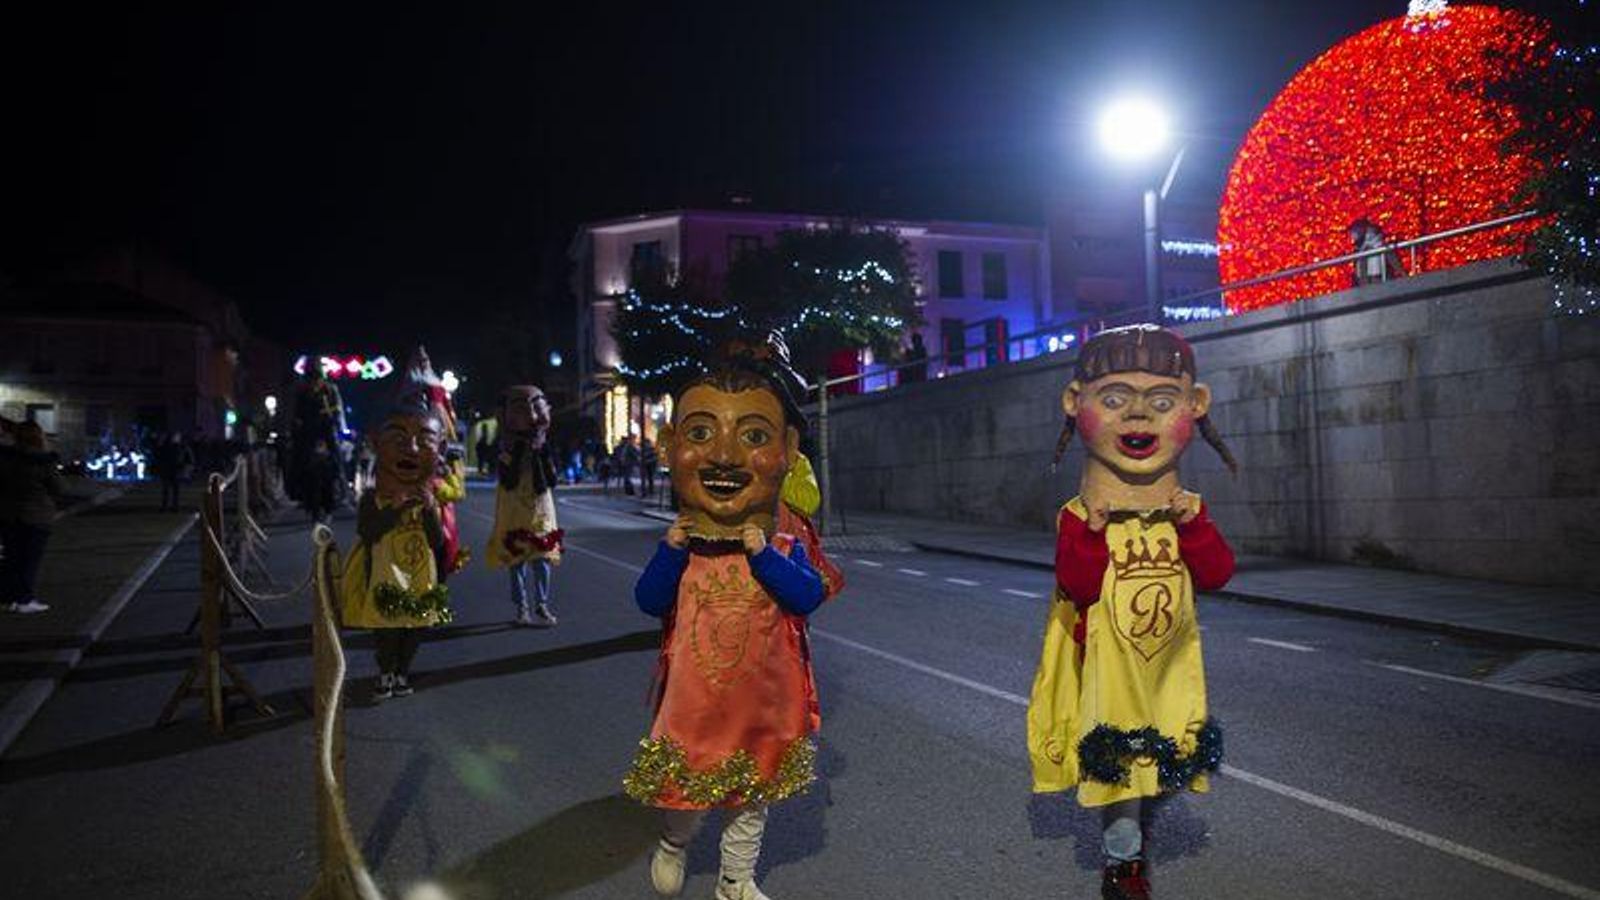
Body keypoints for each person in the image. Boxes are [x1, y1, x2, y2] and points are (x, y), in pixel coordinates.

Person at [625, 334, 842, 900]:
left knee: (752, 800)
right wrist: (670, 552)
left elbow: (806, 597)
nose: (724, 456)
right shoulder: (685, 549)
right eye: (700, 434)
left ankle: (735, 880)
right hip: (694, 706)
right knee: (688, 795)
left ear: (787, 450)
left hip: (760, 706)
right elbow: (648, 600)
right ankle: (673, 842)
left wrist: (764, 555)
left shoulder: (781, 546)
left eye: (754, 437)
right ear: (670, 447)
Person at [1027, 325, 1237, 900]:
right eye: (1115, 398)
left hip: (1165, 667)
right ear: (1076, 403)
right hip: (1109, 669)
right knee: (1120, 767)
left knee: (1158, 753)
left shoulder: (1186, 512)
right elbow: (1078, 584)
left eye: (1162, 401)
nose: (1139, 415)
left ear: (1196, 405)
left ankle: (1134, 833)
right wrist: (1093, 533)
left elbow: (1217, 573)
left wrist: (1195, 527)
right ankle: (1124, 864)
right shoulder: (1079, 517)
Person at [340, 394, 451, 700]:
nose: (412, 449)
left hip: (419, 577)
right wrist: (394, 509)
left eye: (424, 441)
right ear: (377, 443)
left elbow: (436, 541)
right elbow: (368, 532)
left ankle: (403, 671)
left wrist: (429, 510)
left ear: (440, 448)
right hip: (384, 577)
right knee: (386, 629)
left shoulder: (430, 501)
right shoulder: (372, 499)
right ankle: (386, 672)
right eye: (398, 440)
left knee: (416, 627)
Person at [486, 385, 563, 627]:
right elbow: (507, 479)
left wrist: (542, 454)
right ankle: (522, 608)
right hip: (514, 511)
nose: (531, 416)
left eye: (536, 408)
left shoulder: (544, 447)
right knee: (516, 561)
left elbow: (552, 480)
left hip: (540, 510)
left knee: (542, 560)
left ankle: (542, 605)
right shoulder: (505, 448)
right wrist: (519, 451)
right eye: (521, 409)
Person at [0, 421, 65, 614]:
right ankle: (25, 599)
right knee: (30, 561)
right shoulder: (43, 460)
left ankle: (8, 598)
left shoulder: (6, 458)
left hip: (8, 515)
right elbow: (59, 488)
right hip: (36, 516)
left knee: (11, 559)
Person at [152, 432, 194, 511]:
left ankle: (170, 505)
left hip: (172, 469)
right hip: (172, 469)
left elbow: (158, 455)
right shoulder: (178, 447)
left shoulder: (177, 447)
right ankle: (170, 505)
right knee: (171, 488)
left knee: (171, 488)